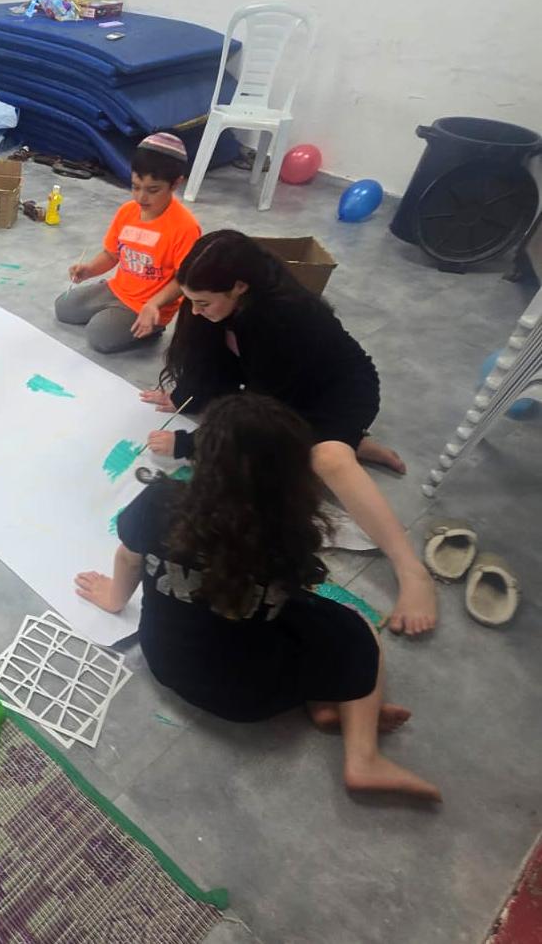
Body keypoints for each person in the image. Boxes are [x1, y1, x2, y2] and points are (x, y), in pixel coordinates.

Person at [76, 393, 441, 801]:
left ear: (204, 457)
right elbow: (293, 601)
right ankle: (363, 758)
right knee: (352, 629)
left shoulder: (159, 501)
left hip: (164, 660)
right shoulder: (288, 535)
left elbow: (128, 558)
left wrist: (114, 598)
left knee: (284, 626)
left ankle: (323, 706)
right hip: (249, 698)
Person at [140, 229, 436, 636]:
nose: (194, 311)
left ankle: (411, 570)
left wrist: (190, 444)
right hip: (288, 390)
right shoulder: (223, 302)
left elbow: (263, 415)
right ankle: (352, 441)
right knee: (254, 437)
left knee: (326, 459)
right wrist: (183, 396)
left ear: (239, 286)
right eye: (190, 300)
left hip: (338, 392)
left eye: (203, 303)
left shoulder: (284, 317)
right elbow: (212, 362)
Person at [56, 134, 201, 353]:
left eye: (153, 190)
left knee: (99, 335)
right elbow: (112, 254)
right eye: (135, 187)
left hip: (150, 306)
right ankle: (112, 314)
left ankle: (151, 328)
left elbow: (183, 280)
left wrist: (154, 304)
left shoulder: (185, 227)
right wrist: (89, 270)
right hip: (118, 290)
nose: (141, 197)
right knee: (64, 307)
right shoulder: (127, 212)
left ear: (175, 184)